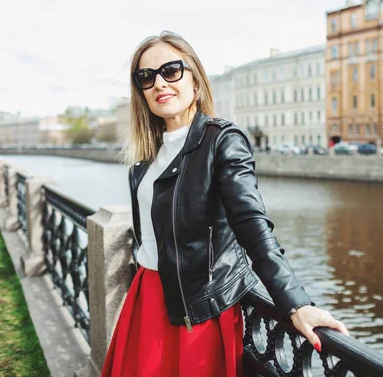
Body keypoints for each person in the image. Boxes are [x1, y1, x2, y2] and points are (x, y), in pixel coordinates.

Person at [101, 31, 349, 377]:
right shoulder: (146, 158)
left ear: (196, 83)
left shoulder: (221, 141)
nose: (160, 83)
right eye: (147, 77)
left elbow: (252, 226)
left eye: (171, 71)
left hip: (195, 311)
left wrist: (296, 304)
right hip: (146, 297)